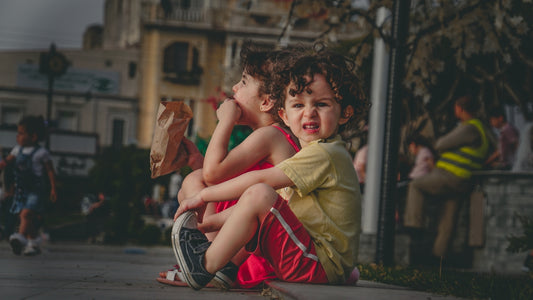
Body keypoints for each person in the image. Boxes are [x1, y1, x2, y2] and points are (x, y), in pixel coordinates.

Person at [171, 47, 369, 290]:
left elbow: (259, 182)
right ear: (284, 115)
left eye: (322, 104)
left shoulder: (327, 153)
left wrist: (203, 196)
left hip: (318, 264)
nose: (309, 112)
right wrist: (206, 225)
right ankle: (217, 265)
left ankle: (205, 266)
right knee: (259, 195)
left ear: (345, 113)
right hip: (311, 259)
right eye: (298, 105)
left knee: (260, 192)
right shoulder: (312, 153)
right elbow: (250, 209)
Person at [158, 43, 301, 289]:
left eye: (244, 82)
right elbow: (223, 180)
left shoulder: (270, 136)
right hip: (253, 243)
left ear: (266, 101)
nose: (234, 88)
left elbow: (213, 176)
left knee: (197, 180)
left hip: (259, 252)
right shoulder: (269, 135)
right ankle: (213, 261)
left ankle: (212, 265)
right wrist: (196, 161)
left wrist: (225, 120)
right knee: (197, 177)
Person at [403, 95, 493, 263]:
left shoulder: (469, 128)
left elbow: (440, 144)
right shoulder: (481, 128)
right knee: (448, 219)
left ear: (460, 109)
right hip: (464, 180)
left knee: (416, 186)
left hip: (451, 175)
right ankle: (439, 256)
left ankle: (414, 225)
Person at [0, 115, 57, 256]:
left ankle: (19, 238)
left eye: (21, 133)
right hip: (21, 190)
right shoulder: (16, 150)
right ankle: (33, 242)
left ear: (33, 136)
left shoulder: (41, 153)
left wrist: (53, 188)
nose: (17, 137)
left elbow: (50, 170)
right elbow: (6, 162)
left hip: (35, 190)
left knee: (26, 214)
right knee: (26, 217)